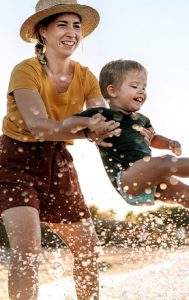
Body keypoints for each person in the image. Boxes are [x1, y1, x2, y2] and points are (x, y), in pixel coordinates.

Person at [0, 1, 144, 299]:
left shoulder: (86, 76)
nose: (72, 33)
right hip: (15, 161)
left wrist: (131, 130)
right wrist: (88, 128)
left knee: (87, 249)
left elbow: (102, 119)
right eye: (62, 25)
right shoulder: (24, 71)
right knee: (27, 250)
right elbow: (39, 126)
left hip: (59, 161)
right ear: (43, 31)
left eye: (76, 26)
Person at [63, 59, 189, 237]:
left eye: (144, 87)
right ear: (113, 91)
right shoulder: (101, 114)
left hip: (150, 179)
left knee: (187, 194)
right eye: (135, 86)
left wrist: (168, 143)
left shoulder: (141, 119)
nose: (142, 91)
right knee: (164, 162)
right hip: (127, 179)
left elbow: (152, 139)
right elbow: (69, 123)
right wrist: (90, 124)